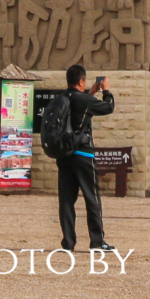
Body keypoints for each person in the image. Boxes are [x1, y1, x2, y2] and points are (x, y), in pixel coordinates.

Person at [55, 64, 116, 252]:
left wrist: (90, 92)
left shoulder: (61, 99)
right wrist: (106, 91)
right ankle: (97, 241)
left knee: (66, 199)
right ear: (81, 80)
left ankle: (68, 243)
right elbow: (108, 107)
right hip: (83, 153)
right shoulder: (84, 101)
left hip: (64, 154)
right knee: (92, 197)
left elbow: (77, 106)